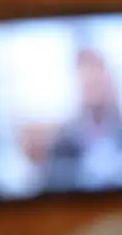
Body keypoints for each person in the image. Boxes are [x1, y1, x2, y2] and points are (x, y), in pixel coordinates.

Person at [44, 49, 122, 193]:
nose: (95, 89)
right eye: (89, 84)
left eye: (98, 82)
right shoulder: (64, 138)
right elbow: (53, 185)